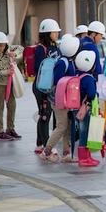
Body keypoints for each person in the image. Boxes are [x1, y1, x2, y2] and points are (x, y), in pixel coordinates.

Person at [39, 36, 80, 163]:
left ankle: (67, 152)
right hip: (59, 100)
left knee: (67, 125)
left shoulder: (67, 60)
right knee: (62, 126)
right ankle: (47, 150)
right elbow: (56, 80)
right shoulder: (63, 62)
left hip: (65, 99)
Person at [32, 18, 61, 153]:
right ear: (47, 33)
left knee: (45, 113)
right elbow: (36, 67)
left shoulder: (55, 46)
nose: (57, 34)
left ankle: (39, 143)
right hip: (41, 86)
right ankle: (45, 145)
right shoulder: (40, 48)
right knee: (45, 114)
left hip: (51, 86)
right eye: (54, 32)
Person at [0, 32, 24, 141]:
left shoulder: (7, 50)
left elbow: (20, 48)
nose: (2, 48)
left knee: (12, 105)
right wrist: (6, 72)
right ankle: (0, 132)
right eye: (0, 45)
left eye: (4, 45)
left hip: (9, 83)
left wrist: (14, 54)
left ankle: (10, 128)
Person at [74, 50, 99, 167]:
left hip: (77, 107)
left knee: (83, 131)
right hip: (85, 109)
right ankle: (84, 158)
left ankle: (87, 156)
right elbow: (92, 93)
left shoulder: (78, 75)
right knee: (85, 132)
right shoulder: (88, 78)